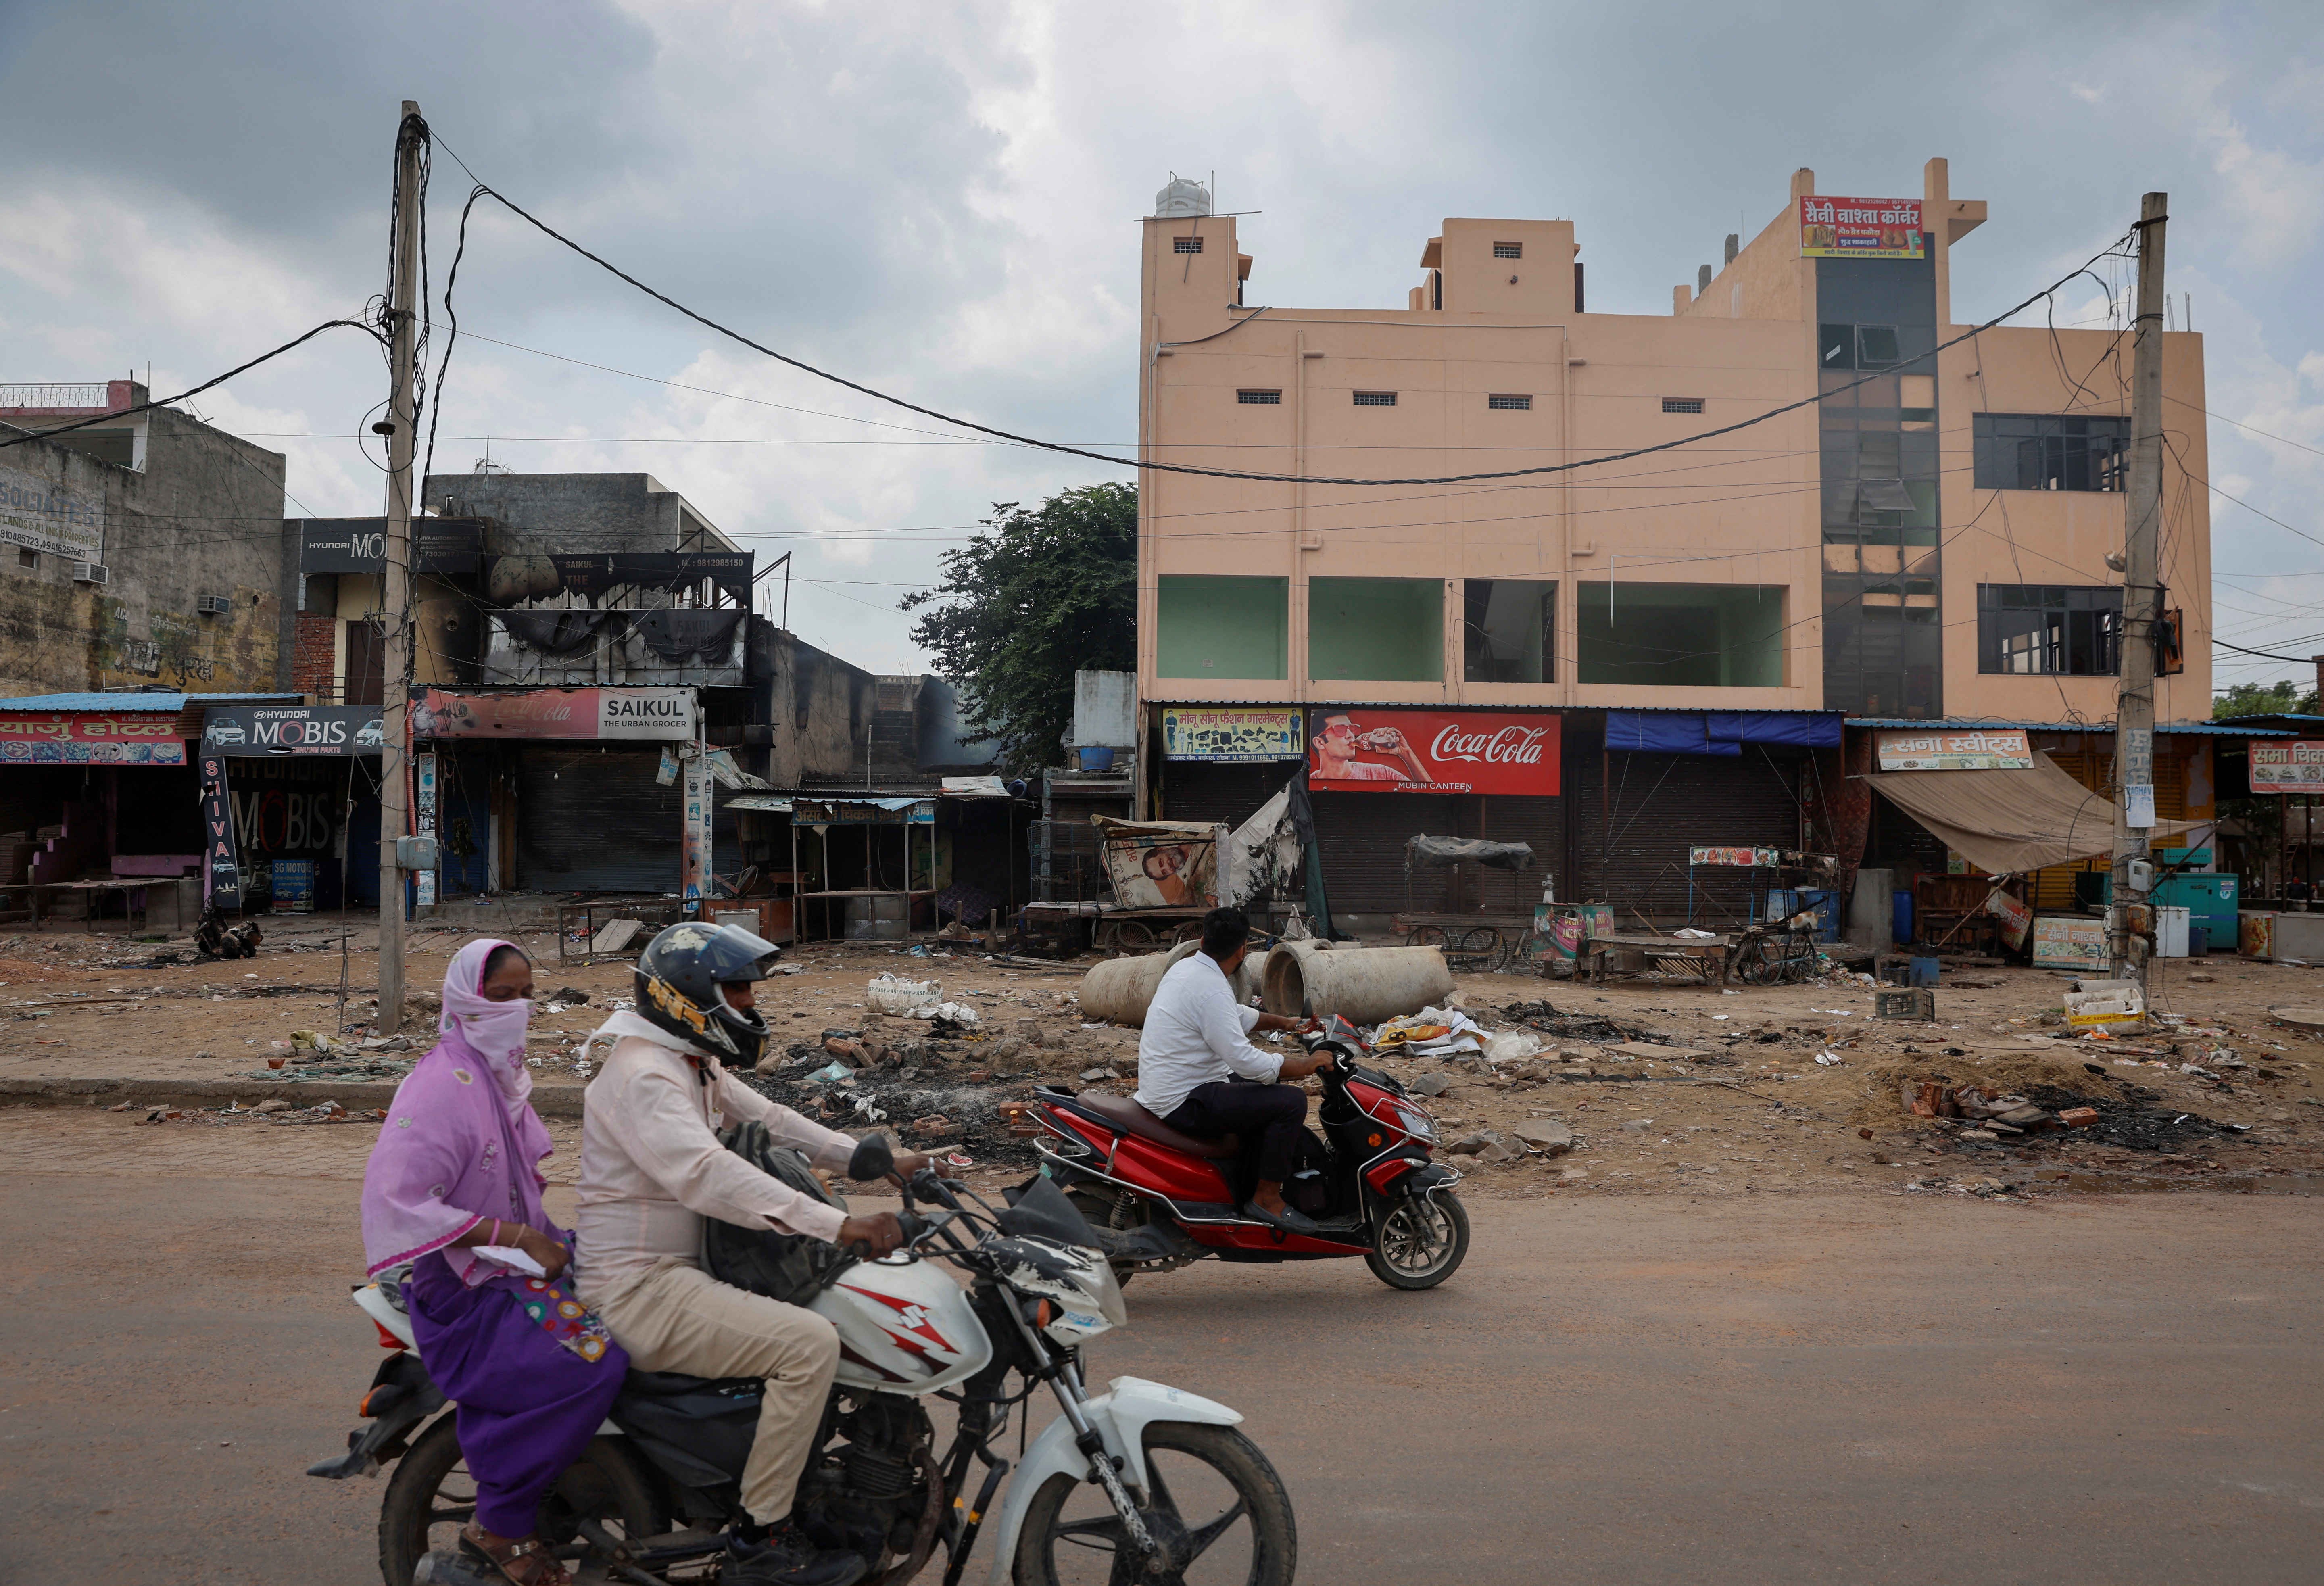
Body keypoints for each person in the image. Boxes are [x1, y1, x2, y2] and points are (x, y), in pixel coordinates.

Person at [574, 922, 929, 1586]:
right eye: (736, 990)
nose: (749, 1004)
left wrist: (876, 1159)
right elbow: (707, 1174)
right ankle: (760, 1537)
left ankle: (811, 1489)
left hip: (681, 1272)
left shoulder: (686, 1061)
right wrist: (837, 1225)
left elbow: (770, 1120)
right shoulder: (643, 1075)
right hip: (638, 1288)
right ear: (687, 996)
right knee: (809, 1345)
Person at [361, 939, 628, 1586]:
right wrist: (517, 1235)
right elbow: (397, 1197)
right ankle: (502, 1522)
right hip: (466, 1289)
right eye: (499, 997)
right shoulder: (440, 1085)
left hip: (507, 1266)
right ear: (464, 1000)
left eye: (525, 996)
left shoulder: (490, 1075)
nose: (514, 1010)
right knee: (597, 1360)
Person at [1131, 905, 1335, 1233]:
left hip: (1176, 1086)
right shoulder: (1209, 987)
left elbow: (1235, 1015)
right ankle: (1267, 1199)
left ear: (1202, 940)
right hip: (1186, 1101)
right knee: (1290, 1103)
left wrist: (1286, 1022)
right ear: (1243, 950)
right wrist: (1307, 1065)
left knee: (1260, 1091)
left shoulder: (1189, 970)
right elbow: (1245, 1060)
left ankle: (1249, 1179)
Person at [1310, 713, 1428, 784]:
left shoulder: (1381, 773)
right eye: (1340, 730)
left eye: (1353, 729)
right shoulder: (1309, 782)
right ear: (1320, 743)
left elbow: (1428, 794)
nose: (1351, 735)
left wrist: (1405, 753)